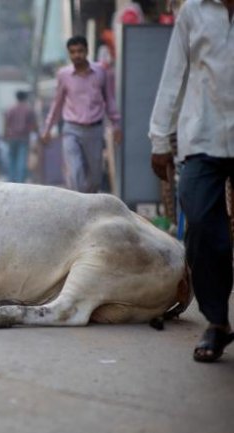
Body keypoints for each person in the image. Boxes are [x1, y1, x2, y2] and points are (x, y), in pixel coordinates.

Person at [149, 0, 234, 363]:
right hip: (203, 136)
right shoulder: (193, 12)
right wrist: (159, 137)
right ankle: (217, 322)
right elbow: (174, 74)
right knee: (200, 225)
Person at [41, 35, 122, 193]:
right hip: (71, 129)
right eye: (72, 52)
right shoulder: (63, 75)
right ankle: (78, 208)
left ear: (87, 51)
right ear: (69, 54)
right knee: (75, 171)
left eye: (80, 51)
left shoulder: (101, 72)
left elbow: (110, 99)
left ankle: (89, 203)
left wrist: (116, 124)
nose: (76, 55)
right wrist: (47, 129)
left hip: (94, 130)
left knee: (95, 178)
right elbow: (57, 104)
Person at [4, 90, 37, 183]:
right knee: (22, 159)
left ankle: (11, 179)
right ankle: (20, 180)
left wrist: (4, 135)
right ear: (25, 98)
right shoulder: (29, 109)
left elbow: (6, 123)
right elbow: (34, 124)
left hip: (12, 137)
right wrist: (38, 134)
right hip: (24, 137)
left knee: (12, 159)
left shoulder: (10, 109)